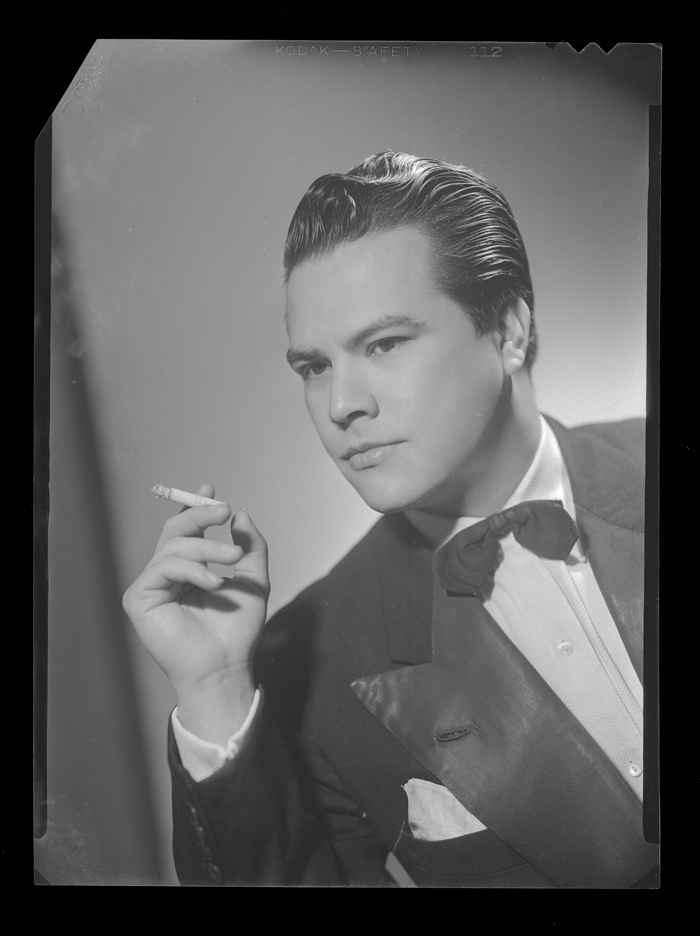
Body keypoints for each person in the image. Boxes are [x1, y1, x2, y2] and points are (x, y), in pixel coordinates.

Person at [123, 152, 658, 888]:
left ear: (508, 331)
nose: (342, 404)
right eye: (314, 367)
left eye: (384, 344)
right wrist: (214, 688)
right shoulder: (304, 666)